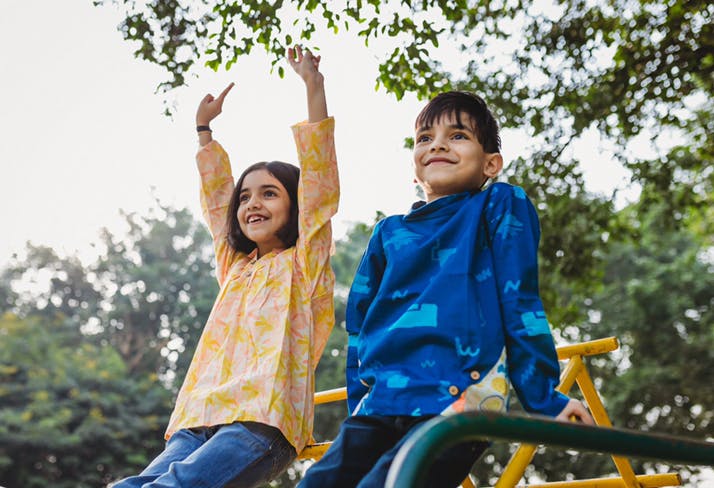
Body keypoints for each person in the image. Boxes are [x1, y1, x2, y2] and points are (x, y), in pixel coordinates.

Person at [298, 91, 593, 488]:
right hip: (382, 401)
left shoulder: (498, 206)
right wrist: (358, 405)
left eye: (458, 135)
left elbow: (519, 299)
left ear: (491, 163)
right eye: (425, 137)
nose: (437, 143)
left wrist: (545, 399)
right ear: (415, 168)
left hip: (460, 395)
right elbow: (360, 326)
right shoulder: (390, 233)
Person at [111, 46, 338, 488]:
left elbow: (319, 179)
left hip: (260, 422)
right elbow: (217, 204)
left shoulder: (303, 264)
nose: (253, 202)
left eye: (270, 193)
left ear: (296, 206)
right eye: (247, 196)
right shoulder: (236, 268)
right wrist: (203, 133)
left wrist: (314, 88)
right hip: (198, 417)